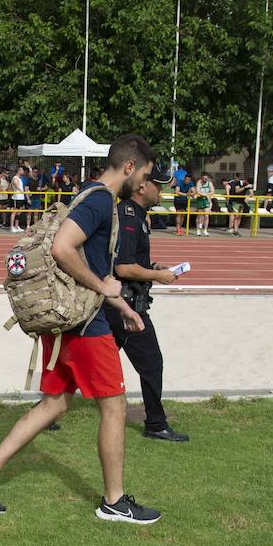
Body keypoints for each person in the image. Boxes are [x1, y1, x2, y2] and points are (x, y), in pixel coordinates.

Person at [0, 134, 161, 525]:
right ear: (129, 168)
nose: (145, 184)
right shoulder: (102, 200)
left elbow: (92, 266)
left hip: (70, 320)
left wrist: (120, 305)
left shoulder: (88, 194)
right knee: (115, 406)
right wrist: (107, 290)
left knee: (56, 403)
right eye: (147, 175)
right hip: (86, 326)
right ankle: (114, 501)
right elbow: (63, 248)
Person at [108, 167, 189, 443]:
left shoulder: (135, 215)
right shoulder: (130, 217)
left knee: (90, 360)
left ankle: (48, 411)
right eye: (159, 184)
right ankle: (155, 423)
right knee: (152, 364)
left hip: (119, 303)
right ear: (142, 186)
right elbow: (124, 267)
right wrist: (158, 275)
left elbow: (132, 261)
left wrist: (153, 266)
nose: (162, 190)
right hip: (127, 306)